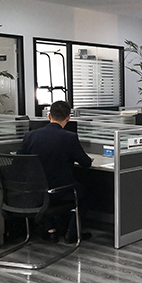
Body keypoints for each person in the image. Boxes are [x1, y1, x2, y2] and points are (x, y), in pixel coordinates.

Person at [18, 100, 92, 244]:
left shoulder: (30, 136)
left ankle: (51, 230)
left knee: (45, 189)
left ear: (49, 116)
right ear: (68, 118)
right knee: (86, 193)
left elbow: (19, 160)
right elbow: (86, 163)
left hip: (35, 190)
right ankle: (72, 233)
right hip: (62, 191)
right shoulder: (69, 137)